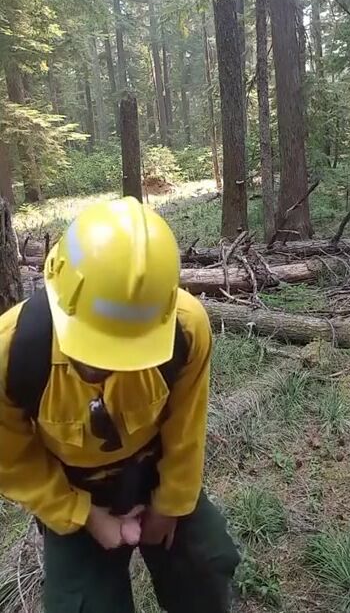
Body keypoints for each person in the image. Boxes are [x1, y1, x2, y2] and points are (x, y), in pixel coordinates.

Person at [0, 197, 239, 613]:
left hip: (155, 472)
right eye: (91, 349)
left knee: (206, 562)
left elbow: (186, 429)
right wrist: (85, 516)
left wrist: (169, 505)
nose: (102, 367)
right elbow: (14, 461)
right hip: (73, 489)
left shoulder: (184, 330)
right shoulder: (13, 355)